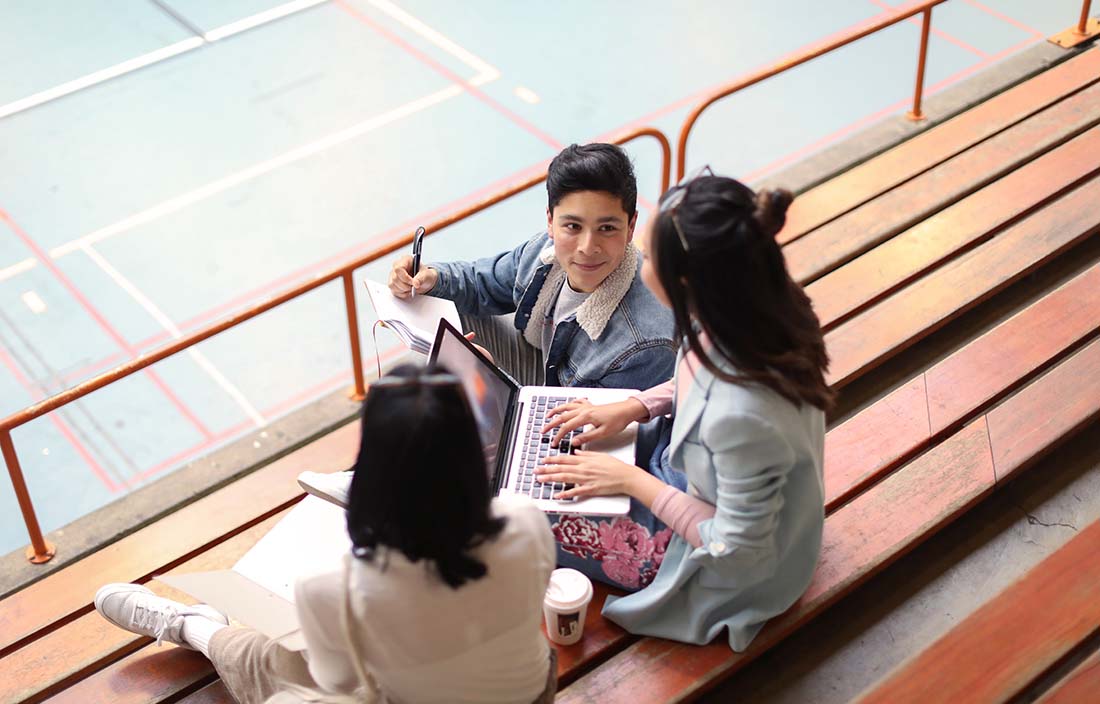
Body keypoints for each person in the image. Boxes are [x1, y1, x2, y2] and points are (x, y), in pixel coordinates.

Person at [95, 365, 558, 704]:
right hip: (531, 694)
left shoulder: (333, 585)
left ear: (374, 466)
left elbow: (335, 680)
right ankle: (199, 627)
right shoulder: (526, 518)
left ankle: (195, 628)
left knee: (275, 664)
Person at [536, 171, 833, 651]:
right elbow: (698, 377)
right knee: (556, 462)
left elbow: (735, 550)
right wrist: (634, 407)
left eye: (649, 254)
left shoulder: (744, 416)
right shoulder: (752, 311)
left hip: (722, 560)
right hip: (693, 475)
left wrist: (630, 481)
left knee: (525, 515)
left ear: (686, 280)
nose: (639, 262)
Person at [388, 142, 676, 389]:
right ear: (551, 221)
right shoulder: (546, 252)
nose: (587, 247)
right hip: (544, 367)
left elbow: (595, 436)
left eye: (607, 228)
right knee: (443, 311)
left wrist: (492, 381)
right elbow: (481, 283)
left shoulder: (645, 345)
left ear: (631, 226)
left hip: (573, 411)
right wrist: (429, 278)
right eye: (573, 226)